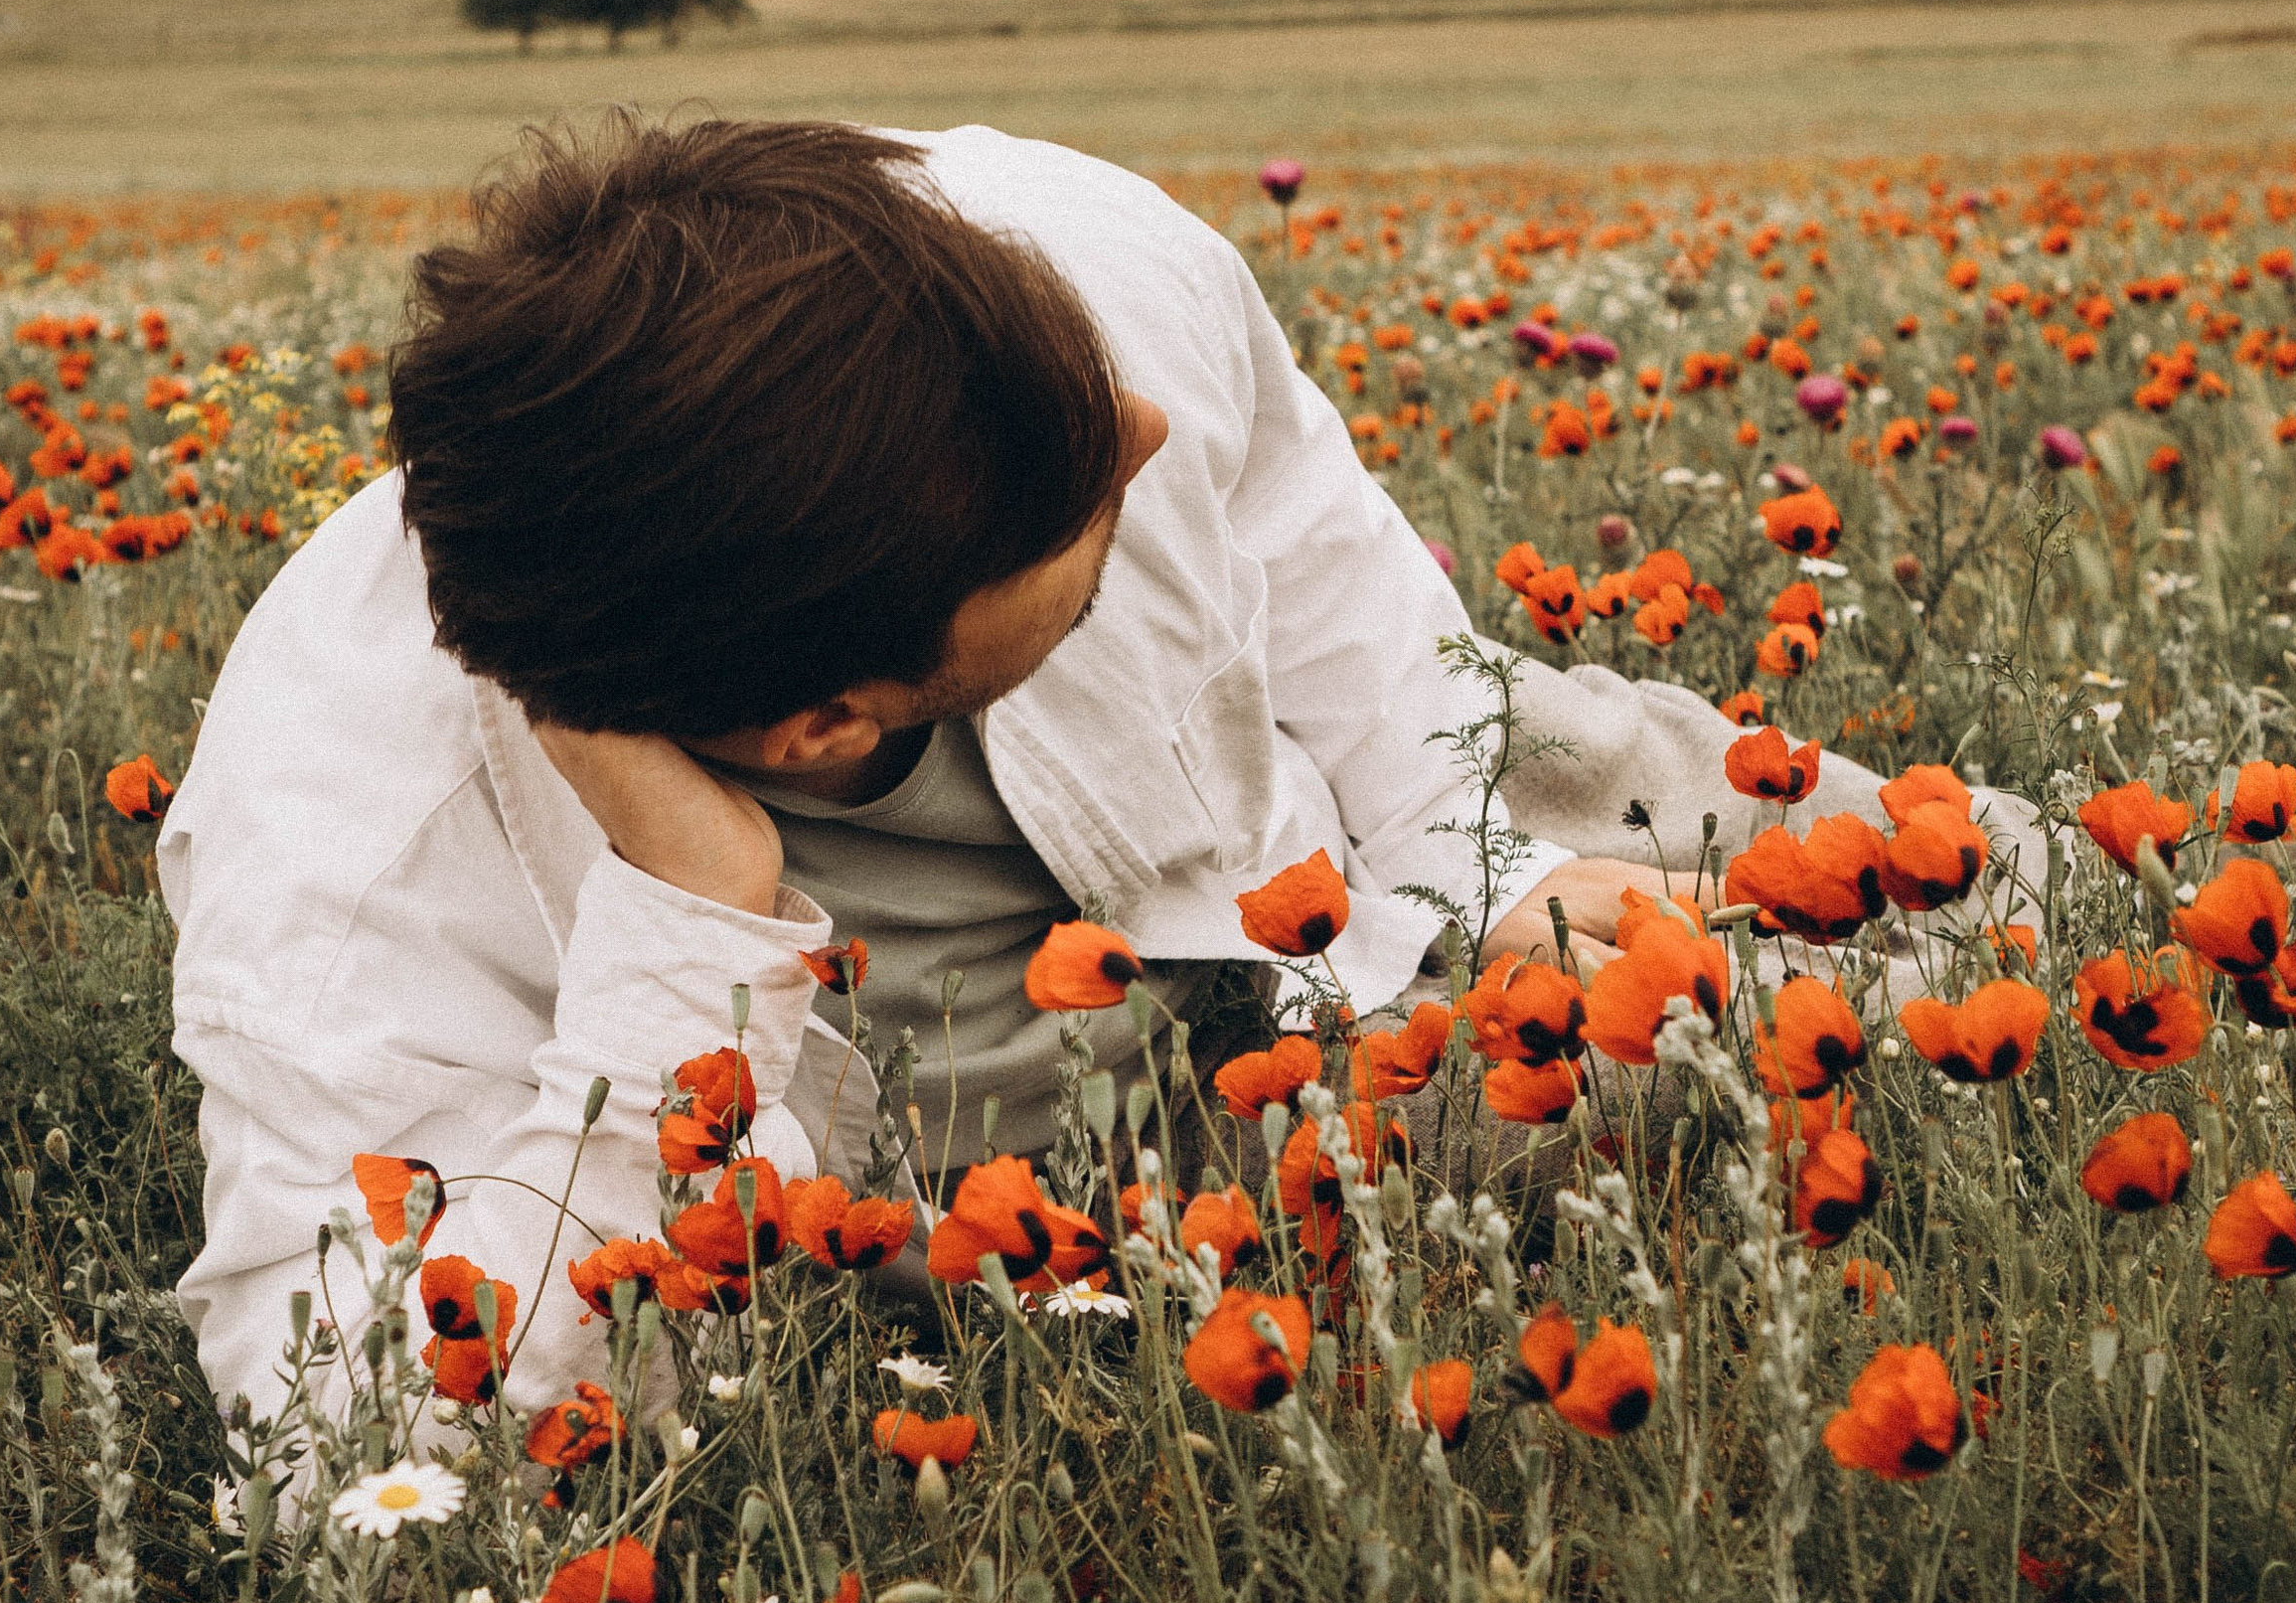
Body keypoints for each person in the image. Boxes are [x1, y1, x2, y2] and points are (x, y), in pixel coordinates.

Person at [159, 114, 1665, 1436]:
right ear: (821, 725)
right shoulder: (350, 869)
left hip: (1301, 914)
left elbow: (1323, 565)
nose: (1142, 436)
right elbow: (353, 1451)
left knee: (1739, 955)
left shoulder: (1063, 264)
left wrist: (1482, 865)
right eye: (1075, 510)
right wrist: (691, 926)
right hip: (1007, 1216)